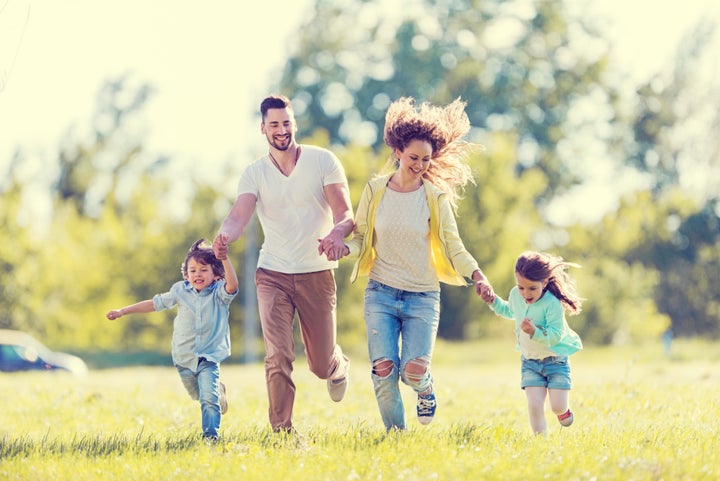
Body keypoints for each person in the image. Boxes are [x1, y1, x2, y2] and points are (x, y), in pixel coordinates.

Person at [341, 97, 488, 431]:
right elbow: (361, 239)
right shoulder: (375, 190)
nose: (420, 165)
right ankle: (396, 436)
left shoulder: (434, 197)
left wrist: (478, 275)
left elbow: (454, 245)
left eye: (425, 159)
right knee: (383, 369)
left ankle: (426, 389)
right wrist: (340, 250)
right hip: (380, 292)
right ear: (397, 153)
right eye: (413, 157)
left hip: (422, 296)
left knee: (413, 371)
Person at [213, 94, 353, 434]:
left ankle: (337, 366)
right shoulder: (254, 173)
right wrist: (224, 236)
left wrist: (336, 235)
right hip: (272, 274)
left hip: (316, 273)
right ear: (263, 128)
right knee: (278, 355)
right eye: (274, 124)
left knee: (319, 365)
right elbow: (238, 216)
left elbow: (346, 213)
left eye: (286, 123)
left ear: (295, 124)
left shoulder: (323, 161)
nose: (281, 130)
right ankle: (281, 432)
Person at [106, 239, 239, 442]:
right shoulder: (180, 291)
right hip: (184, 357)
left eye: (204, 270)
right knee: (198, 396)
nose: (197, 274)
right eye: (193, 270)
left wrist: (224, 258)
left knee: (208, 399)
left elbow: (233, 284)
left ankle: (210, 437)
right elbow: (154, 304)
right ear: (186, 275)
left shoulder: (219, 294)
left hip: (208, 356)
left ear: (216, 274)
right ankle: (219, 392)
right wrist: (123, 311)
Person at [478, 251, 583, 434]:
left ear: (544, 282)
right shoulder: (516, 295)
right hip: (530, 362)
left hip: (555, 361)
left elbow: (555, 335)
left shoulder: (552, 303)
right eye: (521, 287)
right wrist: (493, 300)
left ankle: (563, 411)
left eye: (532, 288)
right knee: (534, 405)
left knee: (557, 407)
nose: (526, 293)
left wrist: (534, 332)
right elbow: (510, 311)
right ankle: (541, 443)